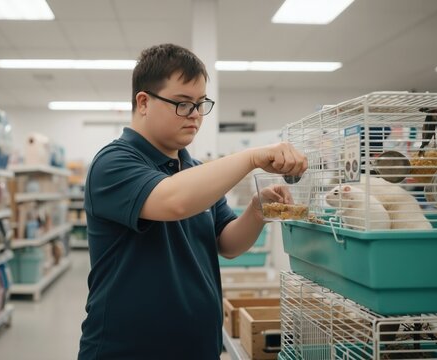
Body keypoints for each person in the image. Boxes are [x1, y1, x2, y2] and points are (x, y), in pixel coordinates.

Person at [78, 43, 307, 360]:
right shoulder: (113, 163)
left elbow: (227, 243)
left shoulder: (196, 171)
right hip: (128, 351)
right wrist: (253, 156)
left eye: (201, 104)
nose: (196, 115)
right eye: (183, 104)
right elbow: (174, 201)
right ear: (143, 102)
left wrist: (256, 211)